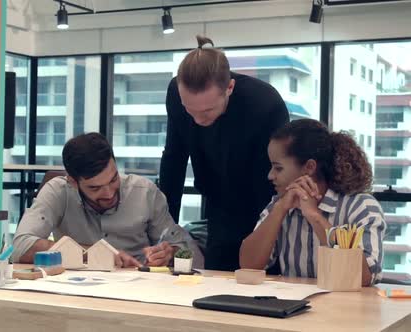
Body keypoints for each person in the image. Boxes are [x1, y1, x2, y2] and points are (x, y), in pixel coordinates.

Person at [159, 35, 289, 271]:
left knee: (260, 281)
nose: (198, 120)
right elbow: (174, 160)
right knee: (215, 278)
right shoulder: (174, 92)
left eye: (208, 110)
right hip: (217, 204)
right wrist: (168, 231)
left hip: (261, 203)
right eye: (190, 110)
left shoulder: (263, 103)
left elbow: (279, 171)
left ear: (229, 87)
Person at [13, 132, 202, 268]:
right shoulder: (58, 191)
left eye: (113, 180)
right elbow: (20, 247)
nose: (109, 193)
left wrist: (170, 254)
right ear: (72, 181)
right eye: (95, 188)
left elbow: (188, 251)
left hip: (139, 288)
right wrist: (93, 254)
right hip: (77, 291)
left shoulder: (144, 193)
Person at [239, 119, 385, 286]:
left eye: (278, 168)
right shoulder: (280, 204)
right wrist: (279, 211)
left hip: (347, 308)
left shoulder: (361, 207)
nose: (270, 175)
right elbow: (248, 265)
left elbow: (364, 277)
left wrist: (315, 216)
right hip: (294, 307)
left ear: (309, 167)